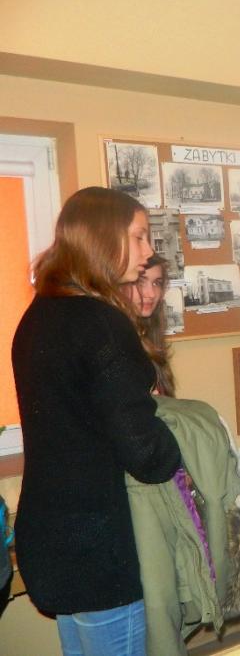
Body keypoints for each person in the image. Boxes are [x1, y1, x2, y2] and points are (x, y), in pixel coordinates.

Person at [12, 186, 182, 656]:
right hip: (99, 550)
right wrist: (180, 435)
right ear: (103, 238)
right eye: (140, 236)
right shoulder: (102, 322)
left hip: (50, 535)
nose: (148, 252)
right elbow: (148, 456)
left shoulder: (38, 316)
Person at [124, 253, 175, 396]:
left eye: (156, 283)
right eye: (141, 282)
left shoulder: (148, 333)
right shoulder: (115, 339)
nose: (151, 294)